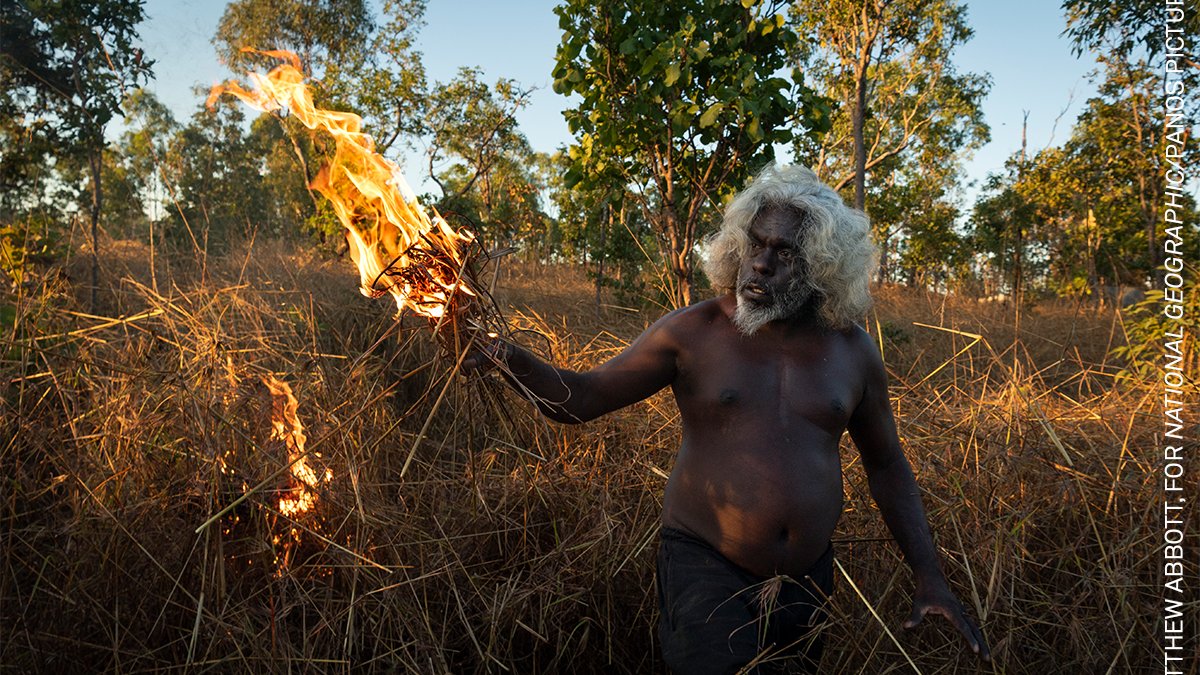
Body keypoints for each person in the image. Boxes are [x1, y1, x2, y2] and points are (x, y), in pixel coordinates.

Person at [463, 164, 990, 673]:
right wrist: (504, 355)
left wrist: (929, 574)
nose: (760, 264)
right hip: (706, 566)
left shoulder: (853, 351)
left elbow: (887, 466)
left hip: (807, 581)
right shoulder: (692, 332)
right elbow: (579, 398)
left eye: (785, 252)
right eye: (755, 244)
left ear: (822, 266)